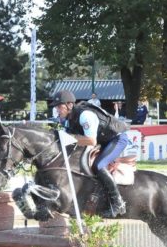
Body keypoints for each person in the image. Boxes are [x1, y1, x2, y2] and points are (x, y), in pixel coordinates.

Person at [50, 90, 130, 218]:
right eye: (56, 107)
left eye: (59, 106)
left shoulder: (85, 115)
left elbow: (91, 141)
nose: (57, 110)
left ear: (70, 105)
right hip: (104, 141)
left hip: (117, 139)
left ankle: (118, 203)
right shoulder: (69, 119)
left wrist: (70, 138)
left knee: (98, 165)